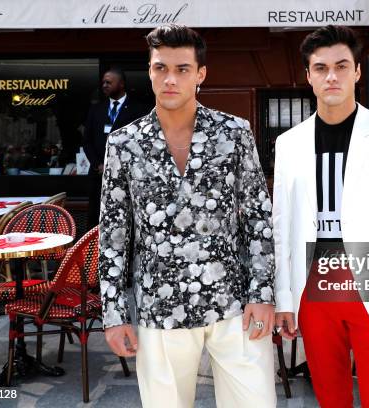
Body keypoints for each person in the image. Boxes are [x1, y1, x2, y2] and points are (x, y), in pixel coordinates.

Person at [98, 24, 277, 407]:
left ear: (201, 74)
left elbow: (259, 219)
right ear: (149, 71)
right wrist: (114, 314)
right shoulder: (124, 143)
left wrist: (263, 294)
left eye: (182, 69)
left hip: (235, 304)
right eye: (161, 68)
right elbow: (113, 237)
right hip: (159, 309)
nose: (170, 79)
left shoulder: (234, 133)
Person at [273, 25, 369, 407]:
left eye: (342, 66)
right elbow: (282, 227)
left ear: (357, 71)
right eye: (321, 67)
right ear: (308, 76)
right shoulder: (289, 144)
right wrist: (284, 300)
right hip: (314, 280)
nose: (332, 76)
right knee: (329, 394)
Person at [83, 67, 145, 227]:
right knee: (96, 218)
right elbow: (87, 141)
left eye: (108, 82)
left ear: (121, 84)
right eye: (103, 82)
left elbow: (140, 142)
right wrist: (98, 164)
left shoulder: (138, 109)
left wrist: (120, 165)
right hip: (99, 176)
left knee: (123, 220)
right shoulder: (96, 109)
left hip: (126, 176)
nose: (104, 85)